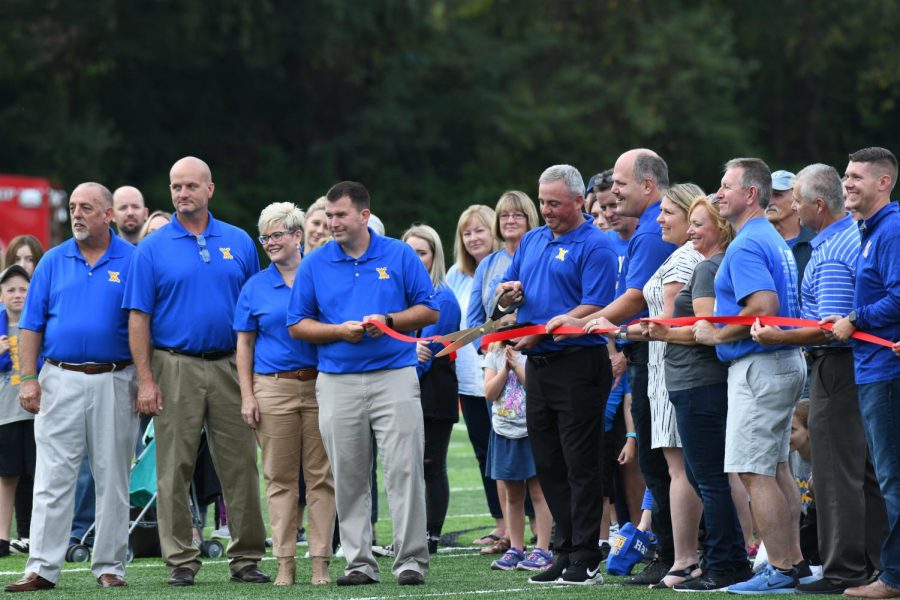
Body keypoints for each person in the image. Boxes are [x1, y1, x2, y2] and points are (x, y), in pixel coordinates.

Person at [123, 156, 268, 587]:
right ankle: (180, 561)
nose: (182, 194)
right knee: (173, 467)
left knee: (240, 465)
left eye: (190, 186)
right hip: (174, 364)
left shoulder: (240, 241)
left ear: (210, 189)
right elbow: (138, 318)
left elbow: (256, 310)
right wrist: (146, 379)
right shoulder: (152, 247)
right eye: (175, 187)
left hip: (230, 363)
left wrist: (255, 376)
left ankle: (246, 558)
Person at [287, 181, 438, 587]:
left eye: (340, 215)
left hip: (394, 374)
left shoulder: (399, 254)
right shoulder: (315, 263)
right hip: (338, 380)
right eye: (328, 215)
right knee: (348, 474)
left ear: (364, 215)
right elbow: (297, 324)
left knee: (404, 470)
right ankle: (359, 561)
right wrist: (339, 331)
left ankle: (410, 560)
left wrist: (388, 322)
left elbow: (429, 309)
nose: (332, 223)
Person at [751, 163, 886, 594]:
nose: (791, 206)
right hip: (856, 366)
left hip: (837, 366)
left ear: (818, 205)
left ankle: (843, 568)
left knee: (832, 471)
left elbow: (829, 326)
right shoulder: (850, 237)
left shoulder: (828, 252)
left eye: (797, 200)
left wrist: (779, 335)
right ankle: (877, 562)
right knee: (862, 472)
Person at [552, 149, 678, 585]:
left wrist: (581, 322)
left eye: (621, 183)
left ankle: (675, 553)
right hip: (647, 353)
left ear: (648, 185)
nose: (612, 190)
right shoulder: (647, 228)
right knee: (660, 460)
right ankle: (675, 550)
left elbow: (635, 298)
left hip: (655, 355)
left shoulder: (649, 231)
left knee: (662, 462)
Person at [4, 183, 137, 592]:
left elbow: (141, 321)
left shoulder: (132, 260)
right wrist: (28, 378)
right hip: (58, 377)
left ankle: (110, 565)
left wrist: (147, 379)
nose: (77, 214)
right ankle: (42, 567)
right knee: (51, 476)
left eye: (87, 208)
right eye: (74, 207)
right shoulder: (52, 261)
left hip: (115, 376)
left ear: (108, 214)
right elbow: (31, 325)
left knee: (112, 476)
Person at [692, 157, 808, 593]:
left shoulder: (744, 244)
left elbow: (762, 307)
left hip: (758, 366)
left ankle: (780, 566)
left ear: (751, 194)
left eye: (726, 186)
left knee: (753, 470)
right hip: (782, 362)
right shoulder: (769, 236)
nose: (718, 193)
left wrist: (718, 333)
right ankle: (793, 562)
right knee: (776, 466)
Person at [500, 164, 618, 585]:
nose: (546, 210)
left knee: (580, 462)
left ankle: (586, 553)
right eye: (542, 201)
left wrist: (557, 322)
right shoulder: (532, 240)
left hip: (578, 364)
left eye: (554, 203)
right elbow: (512, 294)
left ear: (579, 202)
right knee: (548, 462)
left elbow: (597, 306)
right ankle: (563, 549)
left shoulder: (596, 245)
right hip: (539, 365)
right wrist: (507, 296)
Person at [645, 195, 753, 590]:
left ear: (719, 229)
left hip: (698, 384)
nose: (691, 231)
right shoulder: (712, 265)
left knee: (708, 479)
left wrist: (662, 332)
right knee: (705, 476)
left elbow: (706, 330)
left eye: (698, 224)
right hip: (697, 384)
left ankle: (726, 564)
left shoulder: (709, 267)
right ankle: (725, 559)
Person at [606, 183, 706, 588]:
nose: (660, 219)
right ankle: (679, 555)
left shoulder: (683, 259)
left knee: (677, 469)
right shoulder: (680, 254)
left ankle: (680, 558)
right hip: (664, 369)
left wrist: (611, 326)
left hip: (670, 371)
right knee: (671, 467)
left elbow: (665, 325)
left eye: (669, 213)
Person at [233, 202, 336, 586]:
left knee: (321, 478)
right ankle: (285, 563)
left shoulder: (322, 276)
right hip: (272, 387)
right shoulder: (255, 286)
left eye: (278, 234)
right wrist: (247, 395)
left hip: (321, 385)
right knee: (279, 479)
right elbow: (243, 345)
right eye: (266, 237)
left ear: (298, 236)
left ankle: (321, 562)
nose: (271, 243)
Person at [828, 147, 900, 599]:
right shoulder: (870, 231)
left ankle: (893, 577)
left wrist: (854, 318)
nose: (847, 184)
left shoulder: (890, 230)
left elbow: (898, 296)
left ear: (884, 182)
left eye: (856, 177)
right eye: (845, 176)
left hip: (886, 371)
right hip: (874, 369)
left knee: (893, 479)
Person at [466, 194, 539, 549]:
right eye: (504, 215)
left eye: (518, 214)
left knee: (538, 458)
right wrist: (494, 341)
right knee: (501, 452)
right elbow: (472, 321)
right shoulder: (488, 265)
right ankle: (509, 534)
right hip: (496, 360)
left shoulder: (538, 253)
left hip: (534, 357)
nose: (510, 220)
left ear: (530, 218)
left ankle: (541, 529)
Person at [444, 204, 503, 546]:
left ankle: (533, 522)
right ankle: (500, 524)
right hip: (469, 378)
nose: (473, 238)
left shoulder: (505, 268)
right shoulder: (455, 275)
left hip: (502, 376)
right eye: (467, 232)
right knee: (485, 453)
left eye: (480, 230)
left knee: (515, 450)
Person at [402, 224, 461, 555]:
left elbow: (427, 353)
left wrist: (402, 359)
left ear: (434, 256)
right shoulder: (401, 296)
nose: (414, 258)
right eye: (408, 252)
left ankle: (431, 534)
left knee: (430, 462)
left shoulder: (443, 297)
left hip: (432, 390)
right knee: (406, 463)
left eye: (421, 252)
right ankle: (412, 530)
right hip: (407, 385)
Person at [482, 313, 553, 572]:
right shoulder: (493, 355)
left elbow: (536, 388)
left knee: (538, 492)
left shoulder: (532, 353)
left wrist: (518, 367)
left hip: (531, 431)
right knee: (513, 494)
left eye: (515, 325)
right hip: (504, 431)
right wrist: (504, 369)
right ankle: (515, 547)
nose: (510, 330)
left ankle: (543, 549)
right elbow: (489, 392)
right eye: (504, 327)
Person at [0, 266, 36, 559]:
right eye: (10, 290)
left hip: (35, 413)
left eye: (23, 289)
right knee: (7, 476)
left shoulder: (36, 326)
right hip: (5, 414)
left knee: (33, 476)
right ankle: (2, 536)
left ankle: (28, 534)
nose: (17, 295)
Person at [767, 170, 815, 294]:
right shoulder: (759, 244)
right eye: (767, 195)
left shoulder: (816, 242)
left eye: (777, 195)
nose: (769, 202)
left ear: (796, 198)